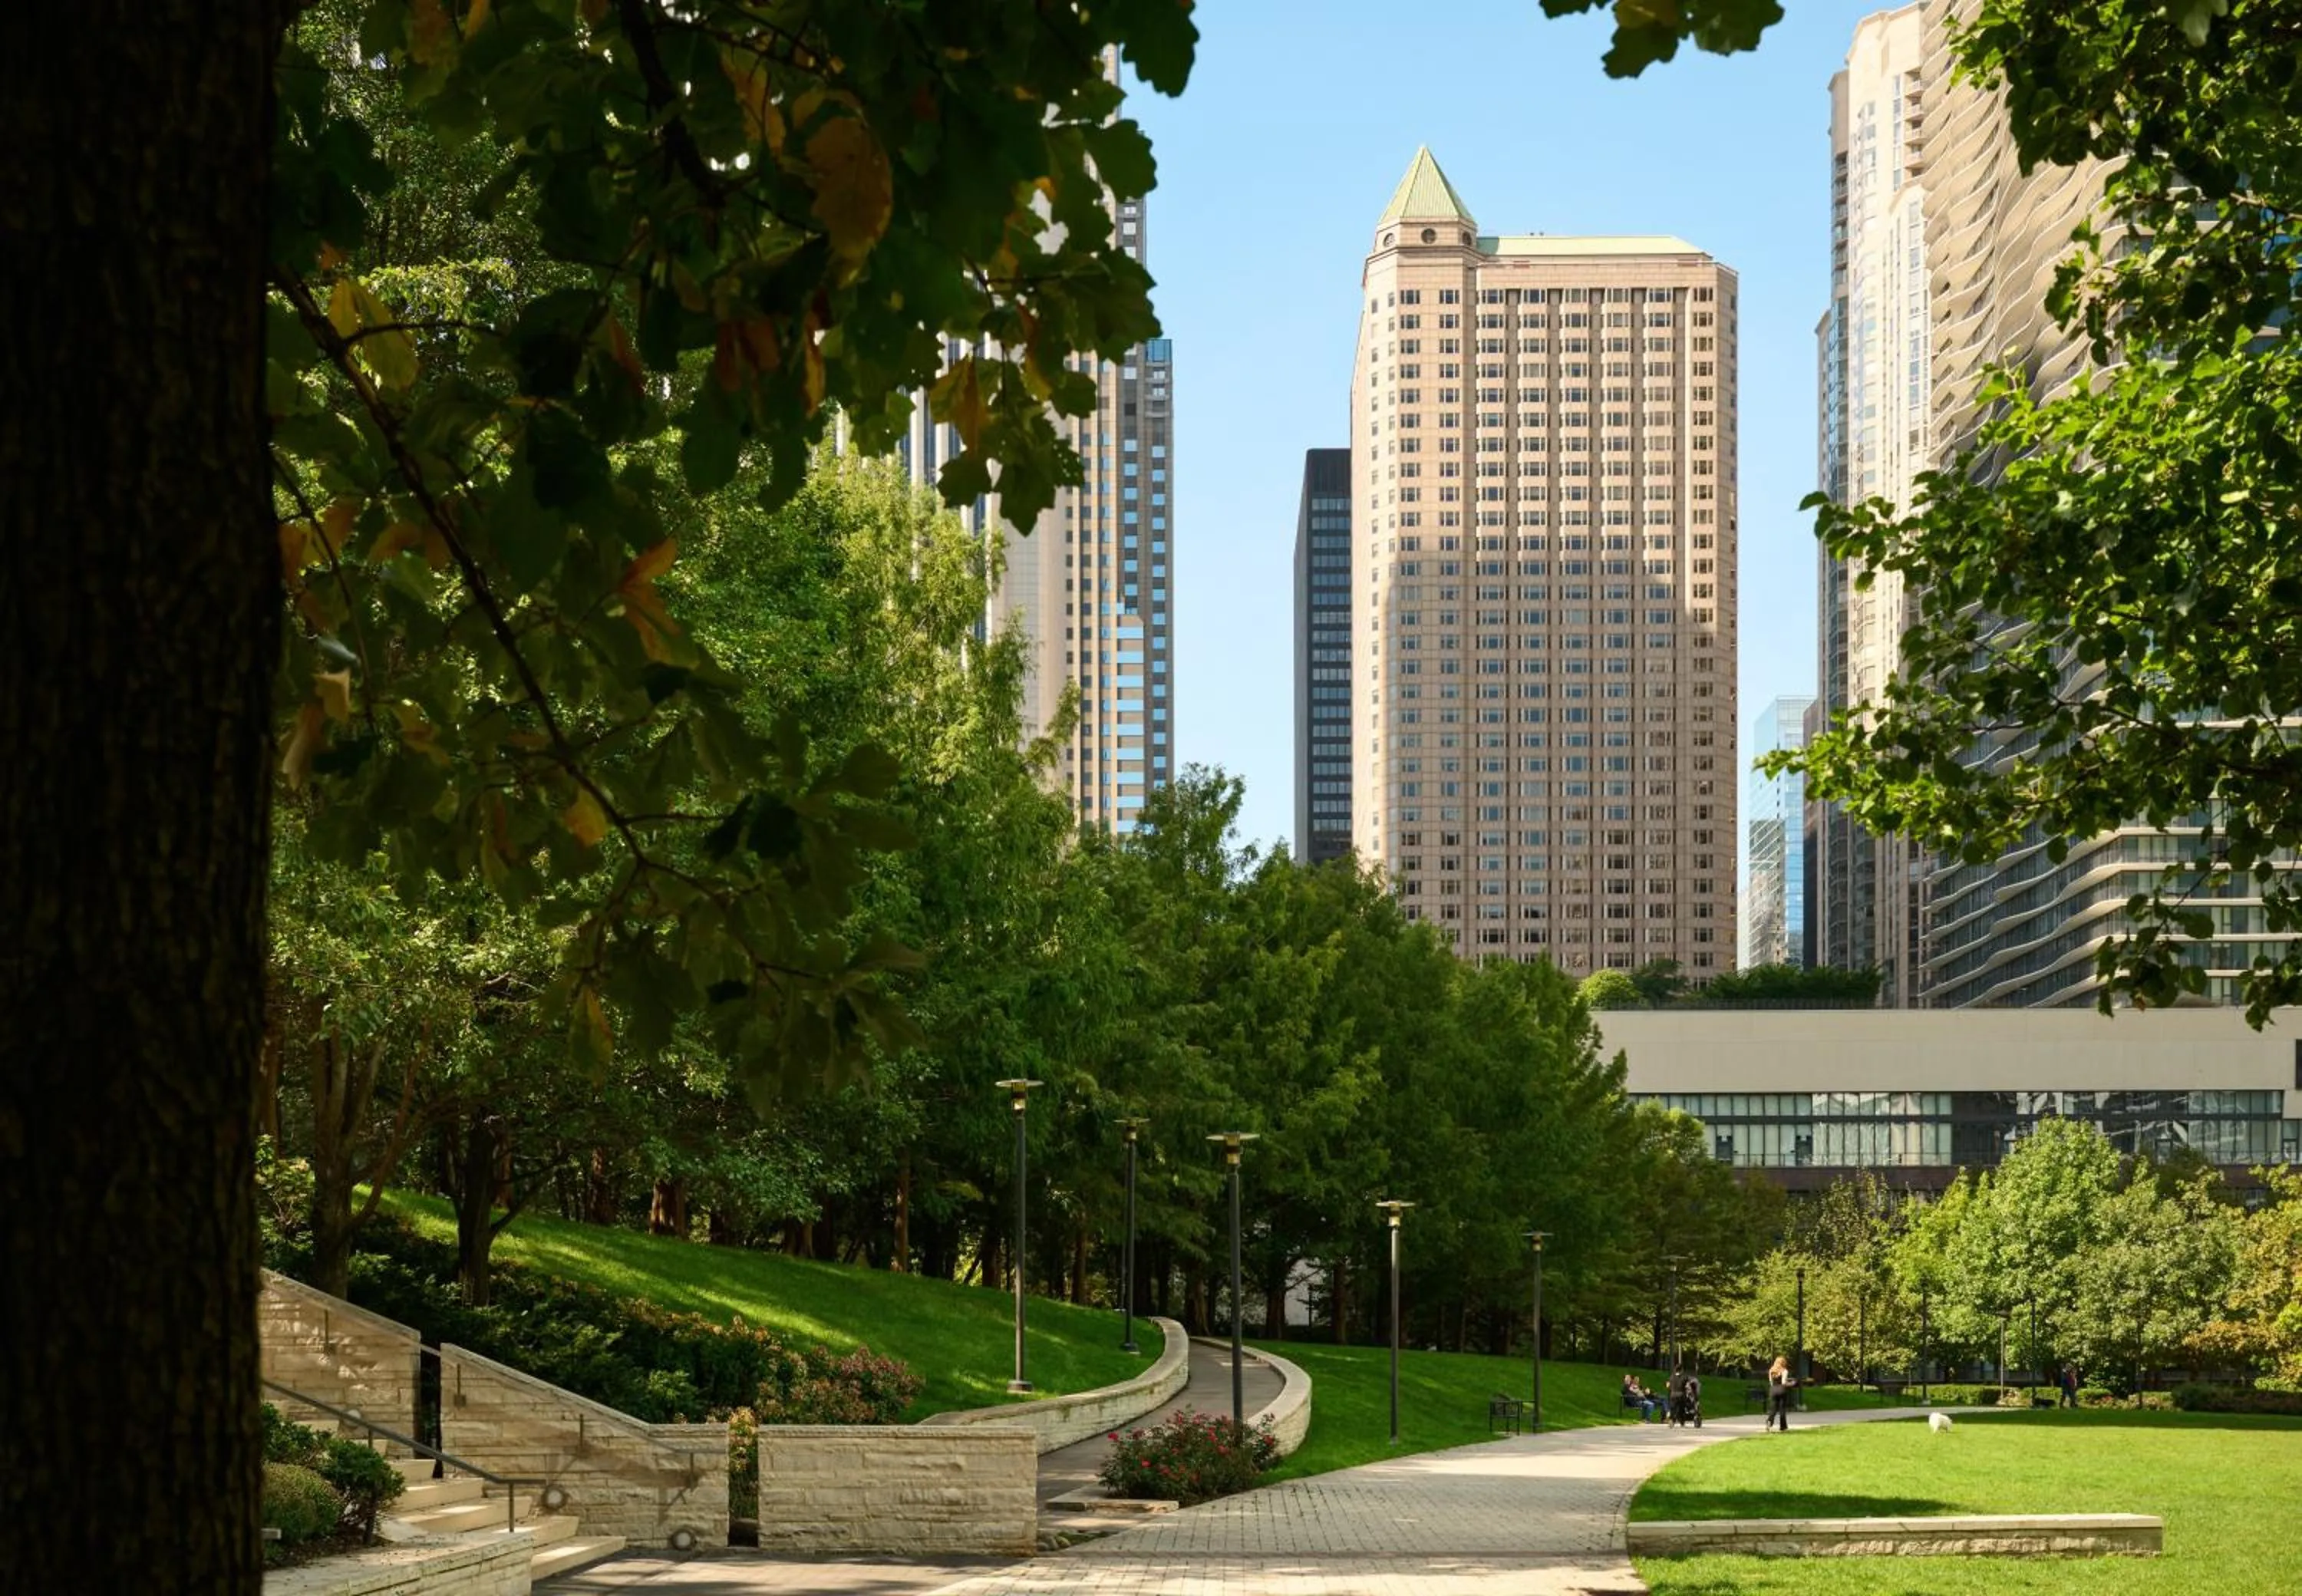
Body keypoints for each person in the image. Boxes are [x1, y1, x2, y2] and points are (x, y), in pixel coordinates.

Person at [1766, 1354, 1796, 1432]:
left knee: (1773, 1409)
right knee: (1782, 1409)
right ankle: (1783, 1427)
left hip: (1773, 1390)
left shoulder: (1771, 1370)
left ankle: (1769, 1423)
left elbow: (1771, 1382)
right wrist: (1792, 1383)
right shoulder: (1785, 1371)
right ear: (1783, 1363)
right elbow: (1783, 1382)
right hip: (1782, 1390)